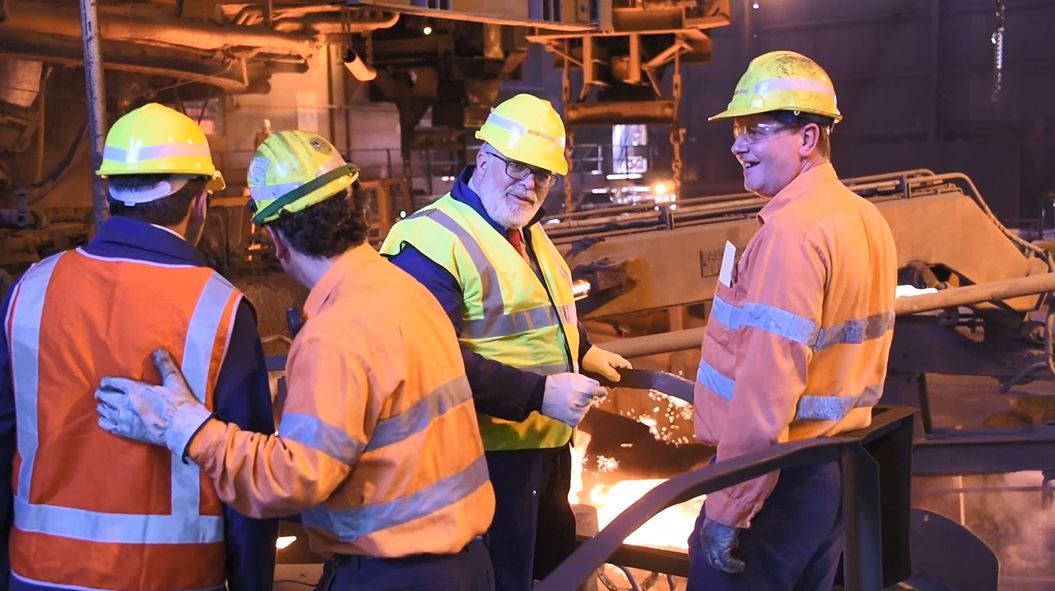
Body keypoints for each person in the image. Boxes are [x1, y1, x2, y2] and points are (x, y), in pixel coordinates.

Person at [95, 130, 496, 591]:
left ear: (274, 238)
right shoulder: (405, 291)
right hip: (466, 566)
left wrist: (188, 429)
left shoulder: (334, 333)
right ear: (355, 206)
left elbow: (293, 482)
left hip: (393, 576)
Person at [0, 103, 277, 591]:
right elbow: (246, 481)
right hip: (173, 576)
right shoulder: (221, 309)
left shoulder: (30, 291)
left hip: (38, 572)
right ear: (200, 204)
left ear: (109, 194)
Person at [379, 93, 632, 590]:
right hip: (477, 462)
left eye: (543, 174)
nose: (529, 184)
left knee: (546, 576)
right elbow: (425, 361)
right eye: (517, 166)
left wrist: (583, 350)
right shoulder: (429, 243)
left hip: (541, 451)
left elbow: (535, 308)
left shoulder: (524, 231)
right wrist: (539, 394)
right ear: (483, 159)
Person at [688, 50, 898, 590]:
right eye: (737, 131)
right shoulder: (865, 218)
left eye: (756, 131)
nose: (738, 146)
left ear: (807, 138)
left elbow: (766, 389)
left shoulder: (792, 234)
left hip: (776, 479)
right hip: (835, 468)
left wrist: (730, 506)